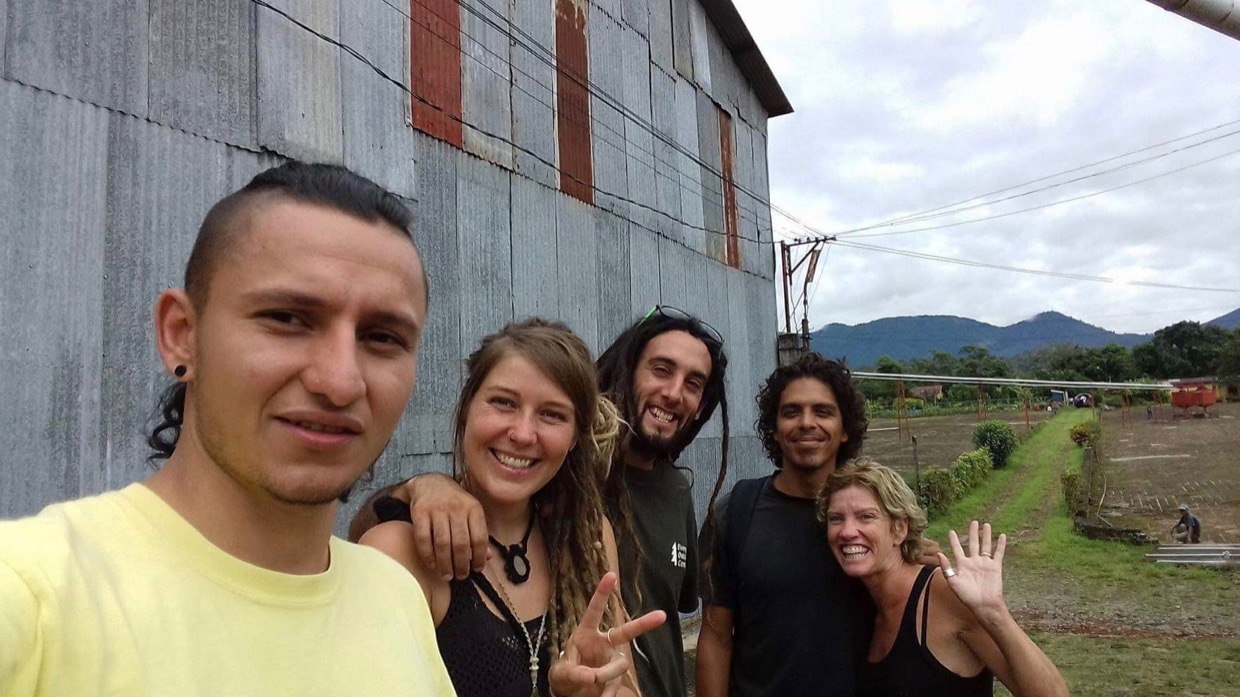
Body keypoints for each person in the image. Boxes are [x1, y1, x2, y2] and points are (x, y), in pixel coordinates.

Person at [0, 162, 455, 695]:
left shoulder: (395, 597)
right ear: (182, 336)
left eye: (381, 337)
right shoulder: (32, 591)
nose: (339, 382)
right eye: (286, 318)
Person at [351, 306, 730, 697]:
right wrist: (422, 484)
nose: (523, 433)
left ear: (574, 438)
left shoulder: (590, 538)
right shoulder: (401, 550)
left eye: (552, 415)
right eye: (503, 403)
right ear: (466, 408)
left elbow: (623, 687)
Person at [696, 353, 873, 697]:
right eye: (791, 412)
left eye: (823, 411)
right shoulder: (735, 512)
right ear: (775, 431)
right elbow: (716, 636)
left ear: (845, 430)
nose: (806, 423)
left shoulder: (875, 516)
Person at [821, 460, 1069, 697]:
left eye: (866, 516)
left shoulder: (943, 594)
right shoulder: (859, 605)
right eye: (836, 519)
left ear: (899, 529)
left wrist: (995, 613)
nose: (847, 532)